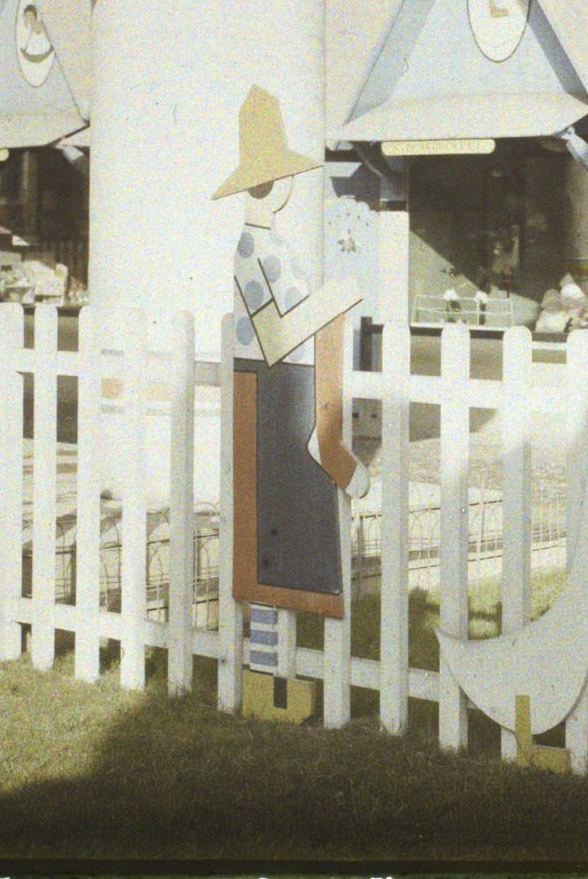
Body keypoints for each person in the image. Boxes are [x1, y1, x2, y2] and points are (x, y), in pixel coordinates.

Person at [215, 85, 365, 722]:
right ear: (271, 184)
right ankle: (264, 682)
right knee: (273, 542)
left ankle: (270, 680)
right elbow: (275, 335)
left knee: (283, 539)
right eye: (285, 177)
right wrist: (335, 299)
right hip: (275, 390)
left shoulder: (269, 246)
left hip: (290, 384)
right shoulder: (254, 249)